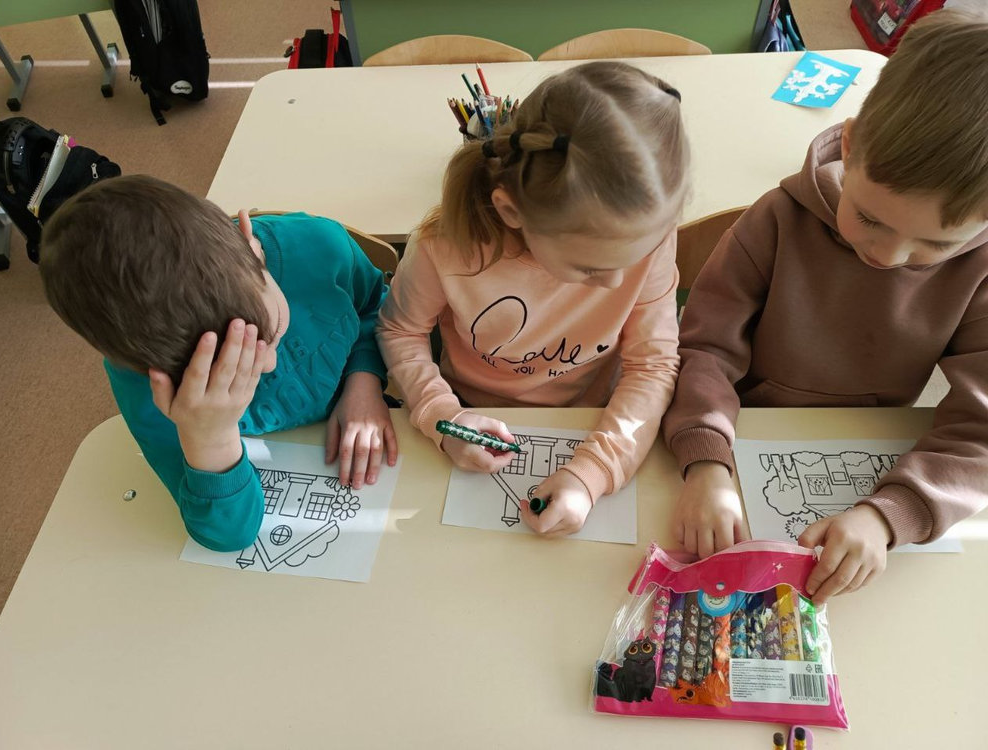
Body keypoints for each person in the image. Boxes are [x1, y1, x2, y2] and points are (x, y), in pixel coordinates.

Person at [662, 9, 988, 603]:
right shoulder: (776, 219)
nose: (887, 255)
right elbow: (705, 348)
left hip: (865, 459)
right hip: (741, 435)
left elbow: (981, 430)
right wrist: (707, 458)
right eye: (870, 218)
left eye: (936, 245)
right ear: (852, 143)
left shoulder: (980, 269)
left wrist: (891, 514)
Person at [377, 61, 688, 536]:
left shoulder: (650, 236)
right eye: (588, 268)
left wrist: (593, 473)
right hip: (471, 410)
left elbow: (653, 363)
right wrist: (443, 417)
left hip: (595, 415)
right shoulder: (446, 246)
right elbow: (400, 330)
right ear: (511, 211)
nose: (616, 284)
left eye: (633, 259)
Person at [40, 175, 397, 551]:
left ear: (248, 244)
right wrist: (210, 438)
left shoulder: (319, 247)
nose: (269, 364)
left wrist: (364, 380)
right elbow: (230, 534)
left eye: (270, 334)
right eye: (221, 373)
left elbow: (376, 305)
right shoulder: (149, 388)